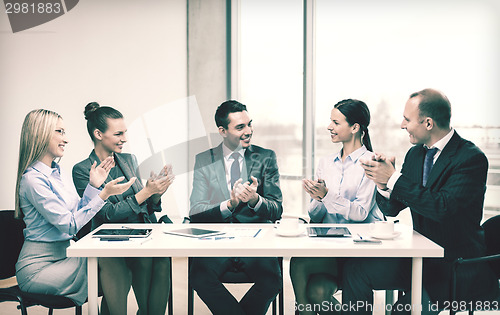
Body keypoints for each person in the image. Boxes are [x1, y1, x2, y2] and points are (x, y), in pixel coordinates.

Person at [343, 88, 499, 314]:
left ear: (428, 123)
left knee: (403, 311)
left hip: (454, 267)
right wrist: (383, 183)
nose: (402, 125)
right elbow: (393, 208)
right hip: (419, 259)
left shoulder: (471, 158)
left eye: (407, 119)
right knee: (356, 270)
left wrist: (395, 178)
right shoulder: (416, 154)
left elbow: (442, 207)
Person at [15, 109, 135, 306]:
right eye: (60, 132)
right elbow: (70, 226)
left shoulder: (54, 174)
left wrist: (94, 187)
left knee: (117, 265)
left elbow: (76, 211)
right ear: (41, 134)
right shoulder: (32, 180)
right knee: (113, 266)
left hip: (65, 257)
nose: (66, 139)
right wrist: (104, 194)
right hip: (39, 269)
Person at [72, 102, 174, 315]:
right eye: (118, 133)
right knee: (143, 264)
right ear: (98, 134)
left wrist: (156, 193)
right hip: (110, 240)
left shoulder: (128, 159)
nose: (124, 138)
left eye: (125, 132)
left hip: (143, 235)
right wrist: (145, 192)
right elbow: (107, 214)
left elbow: (147, 207)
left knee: (163, 262)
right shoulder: (82, 170)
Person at [189, 100, 283, 315]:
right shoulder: (204, 160)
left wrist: (254, 200)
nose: (248, 131)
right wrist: (229, 205)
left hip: (256, 243)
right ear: (222, 131)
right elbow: (196, 211)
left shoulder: (266, 158)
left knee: (272, 280)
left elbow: (276, 209)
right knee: (200, 278)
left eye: (250, 124)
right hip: (216, 242)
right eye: (240, 127)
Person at [290, 99, 384, 315]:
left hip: (356, 251)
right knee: (316, 291)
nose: (329, 127)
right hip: (329, 246)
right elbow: (316, 215)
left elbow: (360, 213)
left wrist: (327, 195)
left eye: (335, 122)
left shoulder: (371, 163)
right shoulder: (326, 162)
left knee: (300, 265)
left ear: (354, 128)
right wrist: (318, 198)